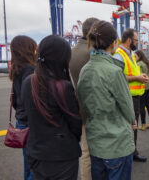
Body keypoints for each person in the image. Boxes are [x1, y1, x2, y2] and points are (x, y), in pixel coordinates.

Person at [77, 21, 135, 180]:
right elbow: (127, 106)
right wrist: (132, 120)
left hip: (96, 143)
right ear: (113, 43)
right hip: (116, 144)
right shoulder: (114, 71)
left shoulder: (85, 69)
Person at [22, 35, 82, 179]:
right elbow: (75, 124)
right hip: (61, 156)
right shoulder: (63, 86)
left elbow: (25, 116)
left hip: (36, 153)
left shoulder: (28, 81)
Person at [69, 17, 99, 180]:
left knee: (85, 152)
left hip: (76, 109)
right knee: (90, 153)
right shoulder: (92, 53)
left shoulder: (72, 51)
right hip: (93, 112)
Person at [113, 28, 148, 162]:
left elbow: (130, 73)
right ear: (129, 40)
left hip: (133, 97)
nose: (137, 43)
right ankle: (128, 153)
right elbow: (117, 77)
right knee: (129, 127)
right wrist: (136, 78)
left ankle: (132, 151)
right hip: (127, 98)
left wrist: (139, 76)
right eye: (136, 40)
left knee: (132, 126)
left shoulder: (129, 54)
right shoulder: (119, 54)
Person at [9, 35, 37, 180]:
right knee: (35, 166)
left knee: (28, 163)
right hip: (30, 123)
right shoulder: (31, 71)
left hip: (21, 122)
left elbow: (14, 100)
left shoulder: (16, 70)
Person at [134, 50, 149, 131]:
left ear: (139, 56)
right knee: (148, 104)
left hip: (142, 87)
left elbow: (138, 75)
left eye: (135, 56)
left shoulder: (138, 64)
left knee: (141, 106)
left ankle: (143, 124)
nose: (134, 58)